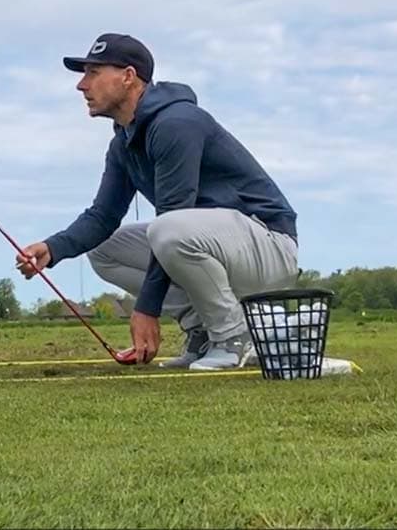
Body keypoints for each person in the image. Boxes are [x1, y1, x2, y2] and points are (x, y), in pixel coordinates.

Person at [16, 33, 299, 370]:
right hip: (217, 247)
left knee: (168, 229)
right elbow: (103, 216)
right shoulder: (123, 141)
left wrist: (146, 308)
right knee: (105, 250)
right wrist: (53, 249)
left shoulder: (176, 123)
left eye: (93, 73)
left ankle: (233, 336)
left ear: (128, 76)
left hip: (270, 246)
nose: (81, 85)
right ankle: (202, 330)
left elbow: (174, 217)